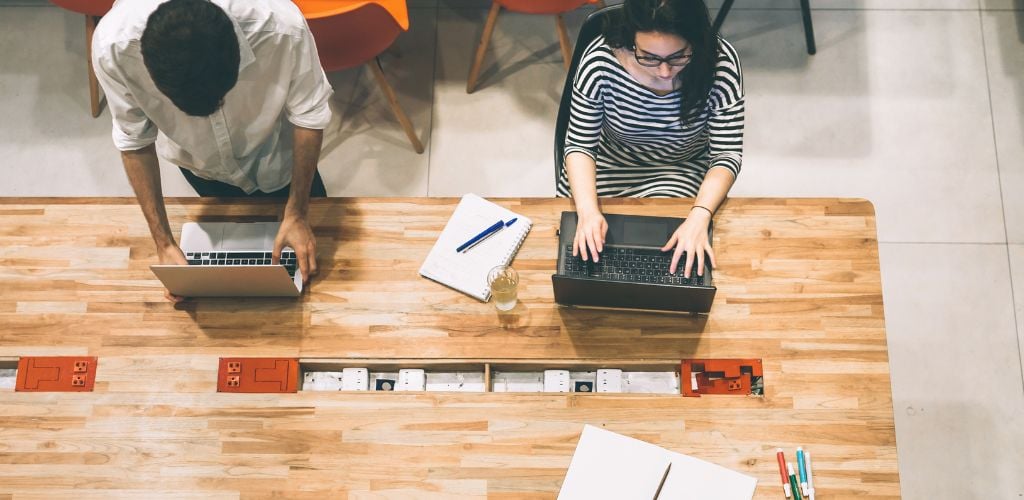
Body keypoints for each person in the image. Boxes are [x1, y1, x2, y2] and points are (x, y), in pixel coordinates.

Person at [92, 0, 334, 301]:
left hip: (278, 157)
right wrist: (163, 243)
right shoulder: (113, 46)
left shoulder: (282, 27)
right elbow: (134, 139)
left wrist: (297, 212)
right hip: (200, 166)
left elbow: (309, 113)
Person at [558, 0, 744, 279]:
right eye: (649, 58)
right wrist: (587, 211)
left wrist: (700, 215)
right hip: (608, 166)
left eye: (678, 57)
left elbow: (725, 155)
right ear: (630, 40)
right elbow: (580, 145)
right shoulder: (600, 60)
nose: (664, 72)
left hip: (680, 169)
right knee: (586, 262)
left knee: (674, 265)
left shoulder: (720, 63)